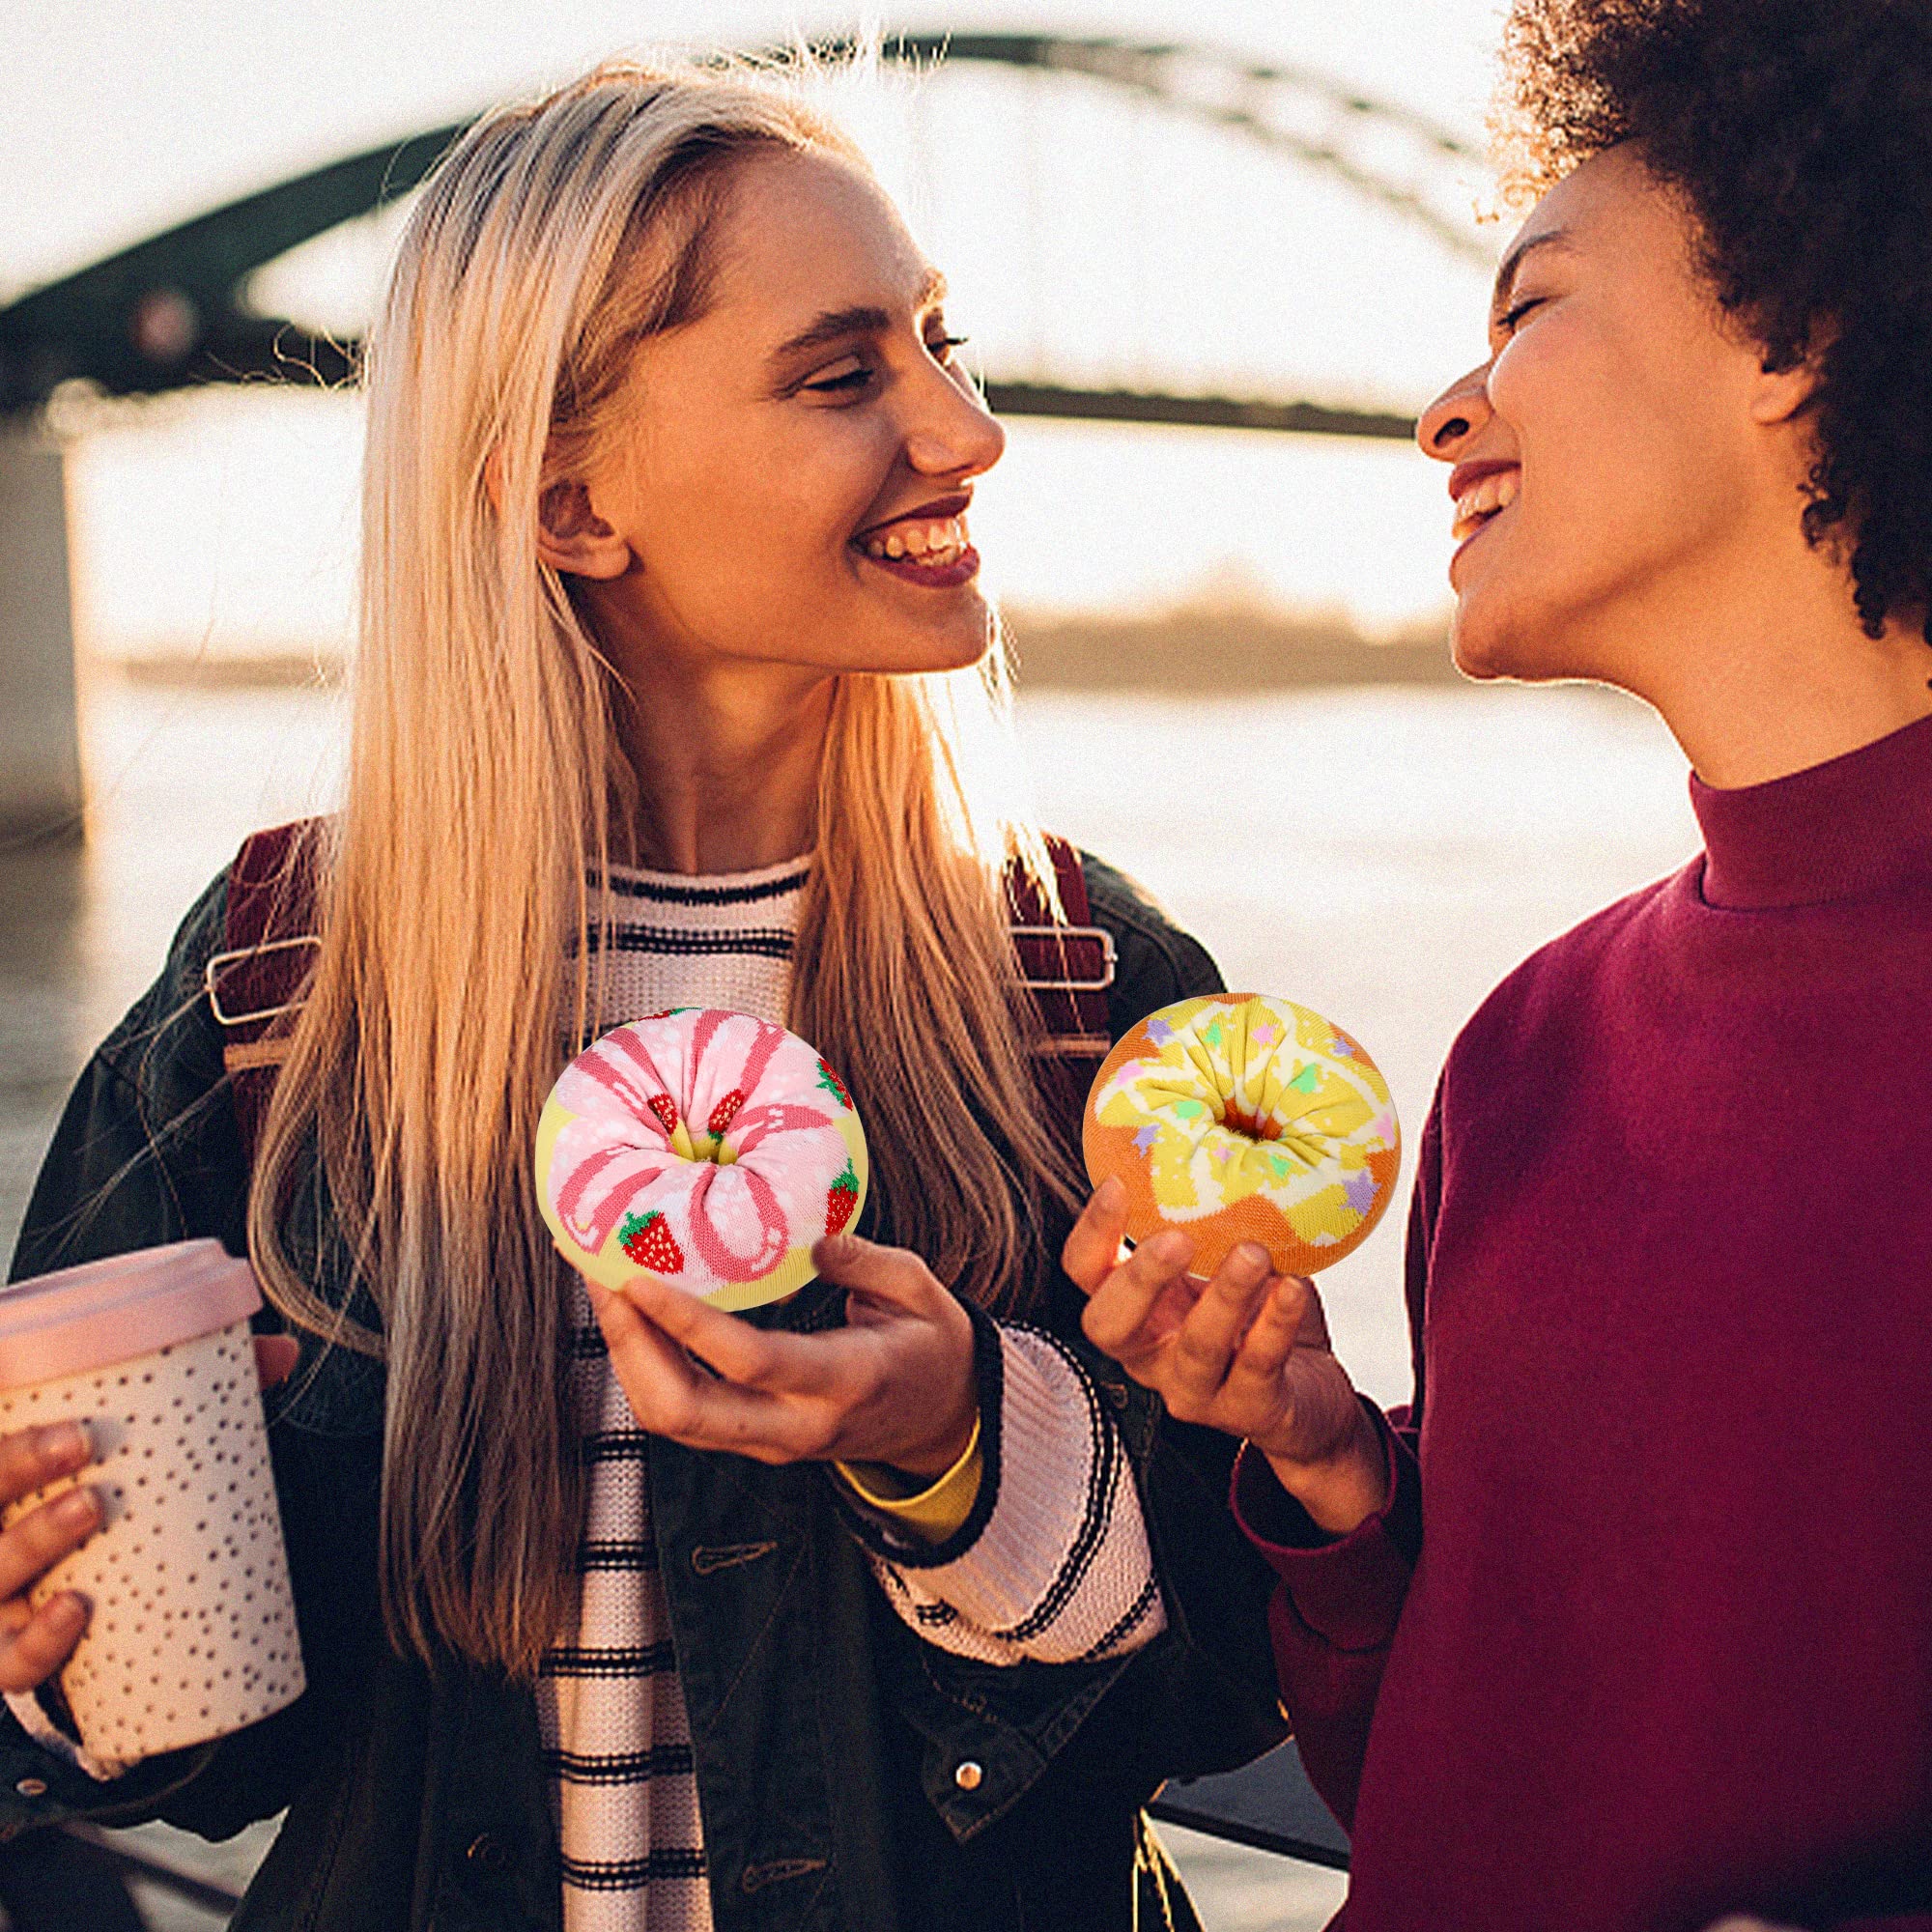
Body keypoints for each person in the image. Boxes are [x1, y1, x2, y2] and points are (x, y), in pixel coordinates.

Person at [0, 58, 1284, 1932]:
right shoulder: (277, 995)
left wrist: (955, 1440)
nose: (969, 430)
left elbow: (1236, 1684)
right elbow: (189, 1763)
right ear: (567, 501)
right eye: (843, 375)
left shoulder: (1082, 989)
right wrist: (52, 1643)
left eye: (942, 344)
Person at [1065, 0, 1932, 1926]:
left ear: (1793, 334)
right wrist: (1331, 1475)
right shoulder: (1530, 1045)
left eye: (1528, 309)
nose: (1445, 414)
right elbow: (1436, 1791)